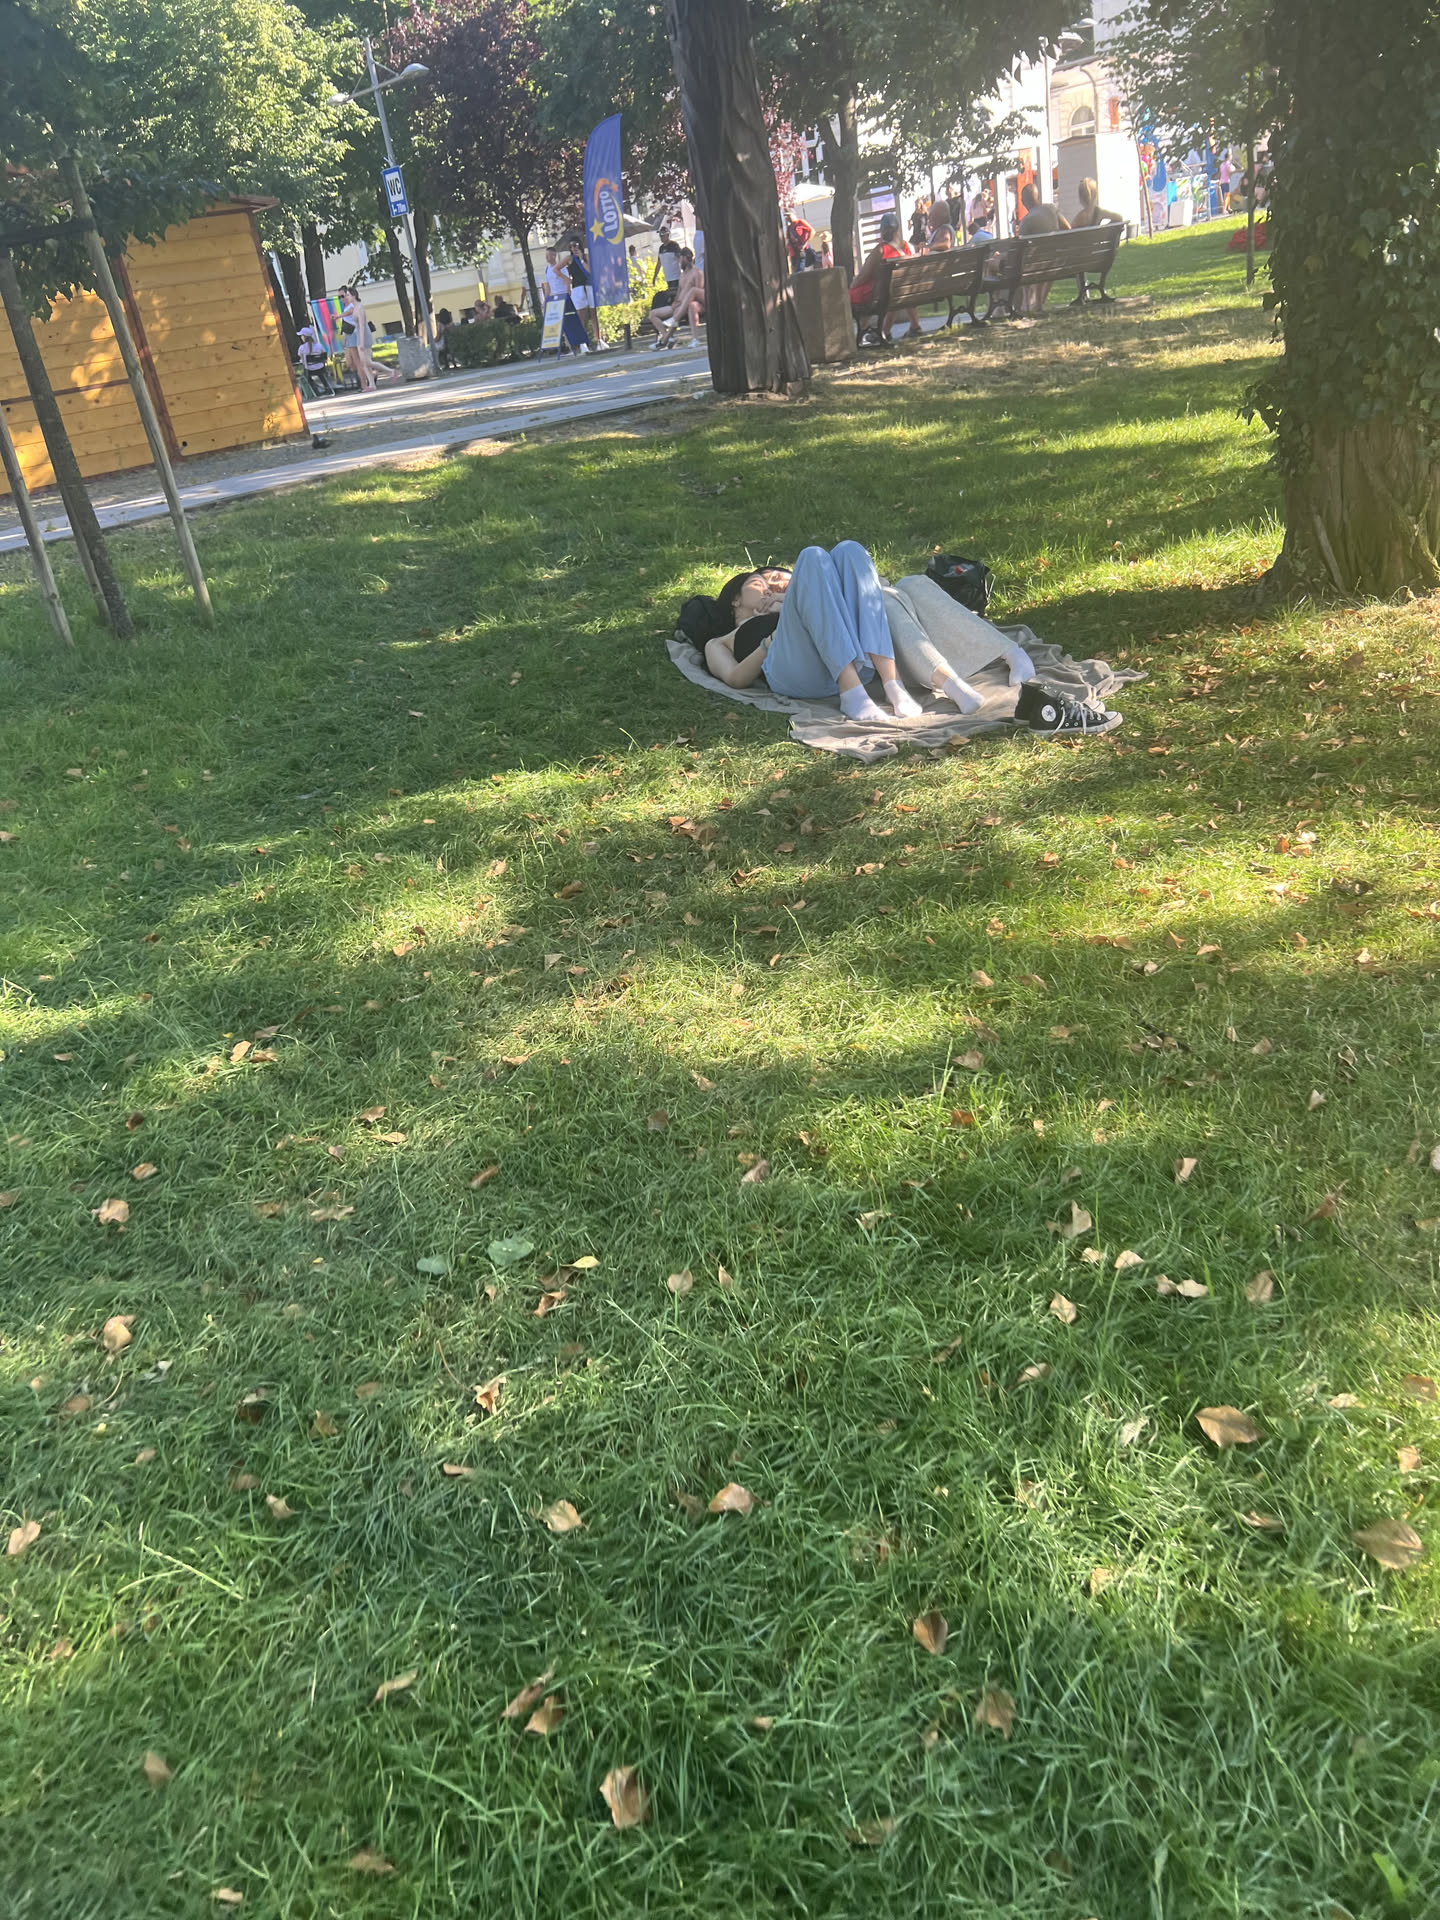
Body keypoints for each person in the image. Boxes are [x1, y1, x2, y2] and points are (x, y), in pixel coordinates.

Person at [677, 543, 1039, 724]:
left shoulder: (801, 599)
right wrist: (768, 643)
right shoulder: (720, 641)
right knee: (812, 555)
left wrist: (789, 603)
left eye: (782, 581)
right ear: (735, 598)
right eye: (762, 582)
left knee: (848, 549)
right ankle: (852, 694)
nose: (774, 585)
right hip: (793, 668)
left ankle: (892, 685)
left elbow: (858, 601)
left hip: (855, 660)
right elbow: (735, 679)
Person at [848, 211, 918, 342]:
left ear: (882, 231)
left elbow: (863, 276)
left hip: (880, 295)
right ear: (897, 229)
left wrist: (852, 285)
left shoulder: (881, 250)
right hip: (902, 291)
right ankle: (885, 331)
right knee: (888, 292)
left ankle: (862, 332)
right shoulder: (906, 247)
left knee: (852, 295)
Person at [1016, 183, 1070, 312]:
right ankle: (1039, 302)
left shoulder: (1026, 221)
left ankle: (1031, 303)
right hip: (1057, 260)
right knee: (1046, 262)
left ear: (1023, 202)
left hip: (1037, 264)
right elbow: (1067, 229)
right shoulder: (1051, 209)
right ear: (1038, 197)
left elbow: (1020, 249)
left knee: (1031, 264)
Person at [339, 286, 398, 391]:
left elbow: (362, 325)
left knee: (367, 361)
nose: (346, 297)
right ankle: (371, 385)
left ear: (354, 295)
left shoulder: (359, 308)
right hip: (358, 334)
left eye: (348, 295)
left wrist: (361, 342)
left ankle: (390, 371)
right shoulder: (354, 308)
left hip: (364, 335)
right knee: (363, 363)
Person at [651, 248, 704, 349]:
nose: (679, 262)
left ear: (685, 258)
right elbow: (679, 292)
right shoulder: (682, 275)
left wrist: (683, 304)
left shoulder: (697, 273)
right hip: (679, 305)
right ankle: (669, 338)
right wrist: (676, 302)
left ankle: (665, 340)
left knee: (688, 308)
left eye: (680, 259)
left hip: (691, 305)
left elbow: (698, 293)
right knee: (653, 314)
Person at [297, 322, 334, 396]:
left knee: (306, 376)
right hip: (320, 367)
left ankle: (315, 391)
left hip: (309, 369)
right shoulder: (319, 345)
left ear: (304, 337)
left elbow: (302, 360)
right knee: (321, 374)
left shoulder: (302, 348)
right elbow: (324, 356)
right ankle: (327, 388)